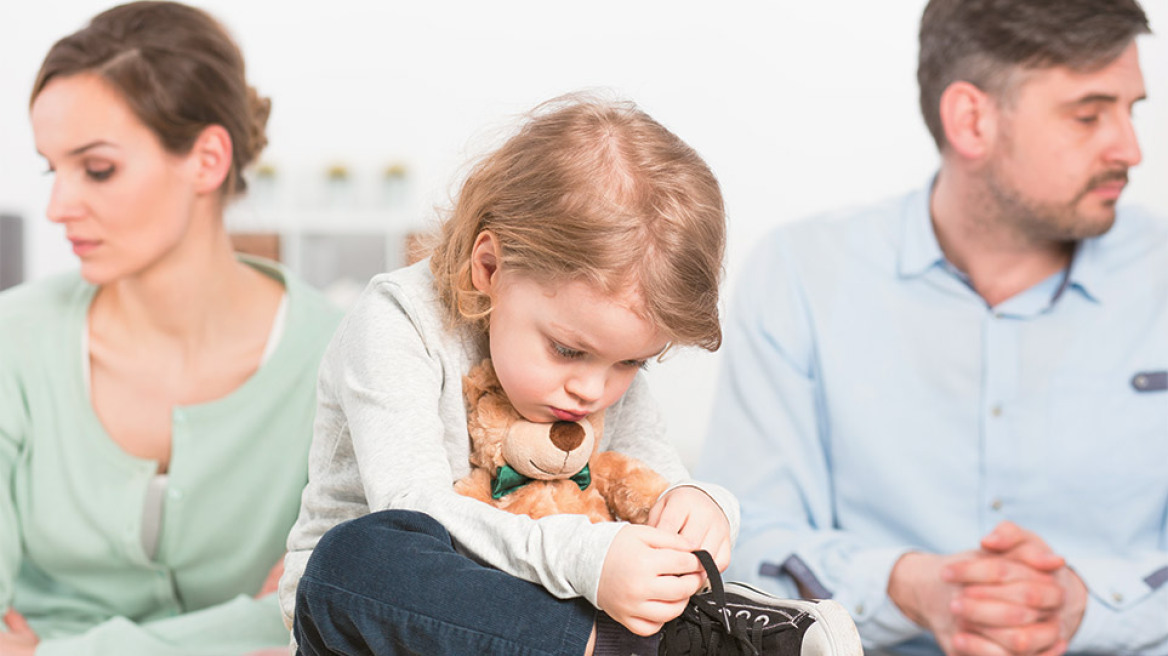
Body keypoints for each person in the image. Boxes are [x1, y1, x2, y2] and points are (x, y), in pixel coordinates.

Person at [697, 0, 1167, 654]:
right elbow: (740, 539)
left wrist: (1086, 604)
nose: (1132, 148)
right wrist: (909, 586)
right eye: (1089, 115)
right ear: (971, 120)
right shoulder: (801, 274)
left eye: (1132, 109)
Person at [279, 94, 824, 656]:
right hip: (383, 635)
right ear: (488, 267)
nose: (593, 389)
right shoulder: (397, 320)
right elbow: (415, 511)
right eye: (566, 350)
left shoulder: (598, 361)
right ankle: (635, 648)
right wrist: (588, 560)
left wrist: (701, 505)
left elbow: (648, 471)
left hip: (540, 630)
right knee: (355, 560)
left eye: (630, 363)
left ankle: (694, 637)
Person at [0, 2, 342, 654]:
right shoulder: (12, 342)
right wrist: (245, 619)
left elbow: (331, 613)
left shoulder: (339, 358)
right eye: (53, 169)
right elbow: (283, 616)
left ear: (207, 160)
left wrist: (52, 652)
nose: (57, 206)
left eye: (97, 169)